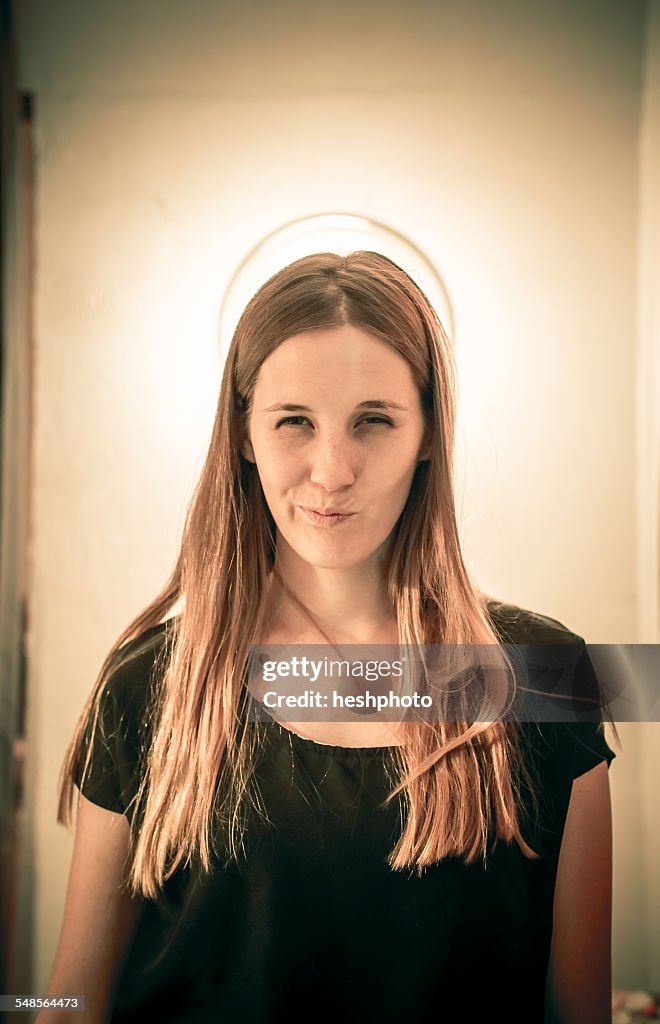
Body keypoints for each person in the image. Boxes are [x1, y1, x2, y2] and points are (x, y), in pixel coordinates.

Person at [38, 251, 617, 1024]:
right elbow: (69, 1001)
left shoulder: (549, 677)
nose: (332, 469)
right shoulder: (147, 684)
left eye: (373, 420)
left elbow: (580, 1013)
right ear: (244, 434)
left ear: (427, 436)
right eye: (294, 422)